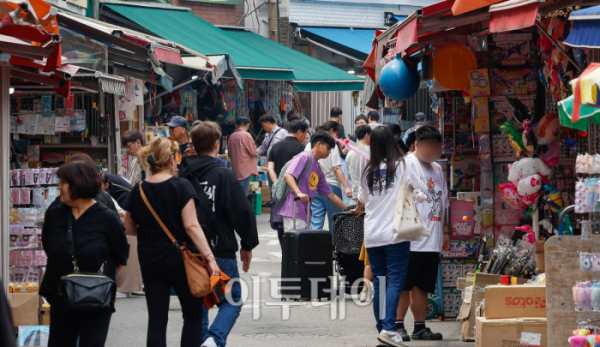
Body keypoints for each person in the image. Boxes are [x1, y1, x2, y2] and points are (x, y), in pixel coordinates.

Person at [122, 136, 220, 347]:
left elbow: (128, 228)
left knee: (157, 319)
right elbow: (191, 226)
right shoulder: (181, 186)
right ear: (171, 160)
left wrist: (151, 234)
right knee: (192, 315)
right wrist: (210, 257)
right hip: (181, 259)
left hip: (150, 258)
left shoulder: (138, 189)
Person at [179, 121, 259, 347]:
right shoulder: (223, 175)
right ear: (217, 143)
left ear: (192, 144)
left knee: (200, 300)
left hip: (191, 251)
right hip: (220, 247)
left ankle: (203, 340)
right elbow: (242, 212)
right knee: (232, 301)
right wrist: (247, 245)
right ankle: (214, 339)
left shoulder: (181, 175)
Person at [40, 161, 129, 347]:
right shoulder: (55, 214)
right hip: (61, 295)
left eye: (64, 182)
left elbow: (120, 255)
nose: (59, 187)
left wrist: (102, 280)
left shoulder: (107, 218)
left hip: (96, 299)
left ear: (78, 184)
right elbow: (49, 246)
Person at [353, 126, 427, 347]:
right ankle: (388, 328)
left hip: (373, 234)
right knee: (395, 281)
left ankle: (382, 329)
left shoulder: (369, 170)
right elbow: (421, 193)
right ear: (393, 143)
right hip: (396, 233)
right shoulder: (402, 165)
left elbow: (363, 199)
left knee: (380, 282)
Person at [396, 125, 450, 342]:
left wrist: (445, 231)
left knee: (423, 284)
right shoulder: (406, 164)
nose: (433, 152)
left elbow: (444, 202)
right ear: (417, 145)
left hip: (432, 237)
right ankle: (397, 325)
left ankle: (420, 326)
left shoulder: (437, 169)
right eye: (429, 147)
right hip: (410, 237)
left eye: (436, 148)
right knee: (403, 284)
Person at [278, 131, 347, 231]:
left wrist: (348, 209)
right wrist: (299, 193)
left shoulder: (318, 168)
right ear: (318, 144)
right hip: (294, 209)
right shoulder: (304, 157)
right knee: (297, 244)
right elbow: (288, 175)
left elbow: (330, 195)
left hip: (305, 212)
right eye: (328, 148)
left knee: (303, 243)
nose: (329, 152)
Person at [305, 121, 352, 233]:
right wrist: (346, 187)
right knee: (335, 220)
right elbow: (336, 168)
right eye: (336, 133)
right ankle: (334, 248)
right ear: (332, 131)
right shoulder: (331, 144)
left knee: (316, 220)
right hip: (331, 186)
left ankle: (314, 246)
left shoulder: (309, 145)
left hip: (314, 186)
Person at [267, 120, 309, 246]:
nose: (305, 137)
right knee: (294, 223)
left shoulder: (275, 146)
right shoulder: (302, 148)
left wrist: (278, 184)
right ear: (299, 132)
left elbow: (270, 168)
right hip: (294, 191)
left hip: (279, 192)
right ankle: (292, 254)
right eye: (305, 134)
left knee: (280, 223)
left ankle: (284, 253)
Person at [345, 125, 372, 302]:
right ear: (368, 135)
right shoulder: (374, 153)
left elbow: (349, 175)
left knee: (357, 246)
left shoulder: (350, 153)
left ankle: (358, 282)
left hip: (355, 200)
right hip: (370, 203)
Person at [227, 117, 259, 194]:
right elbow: (253, 152)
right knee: (243, 194)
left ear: (236, 125)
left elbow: (229, 154)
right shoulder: (246, 135)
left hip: (235, 169)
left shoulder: (232, 136)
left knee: (236, 193)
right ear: (248, 125)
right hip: (245, 169)